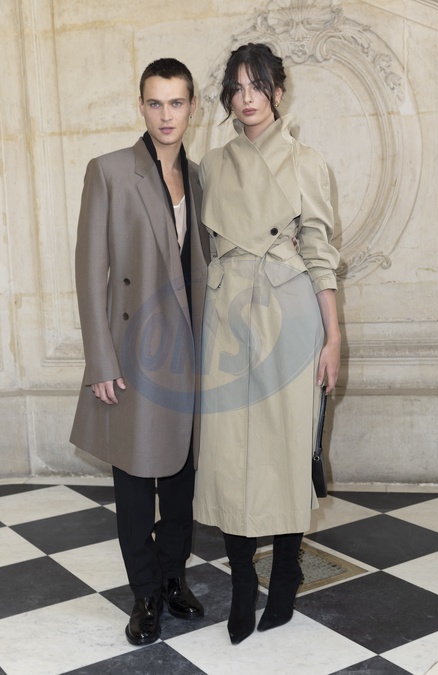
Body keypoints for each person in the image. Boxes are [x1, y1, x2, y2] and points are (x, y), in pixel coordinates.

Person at [194, 43, 341, 644]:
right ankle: (240, 584)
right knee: (228, 453)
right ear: (228, 96)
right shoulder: (211, 164)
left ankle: (284, 574)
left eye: (258, 86)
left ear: (278, 92)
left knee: (285, 447)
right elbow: (203, 246)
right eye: (237, 87)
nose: (247, 98)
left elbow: (321, 255)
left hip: (291, 312)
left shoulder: (309, 163)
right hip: (228, 315)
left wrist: (334, 338)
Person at [70, 58, 210, 645]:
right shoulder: (109, 171)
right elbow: (89, 271)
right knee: (133, 480)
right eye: (155, 103)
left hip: (187, 352)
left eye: (176, 102)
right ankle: (145, 594)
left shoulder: (199, 177)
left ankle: (174, 577)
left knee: (180, 477)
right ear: (141, 106)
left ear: (192, 107)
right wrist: (100, 360)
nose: (165, 115)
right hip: (131, 352)